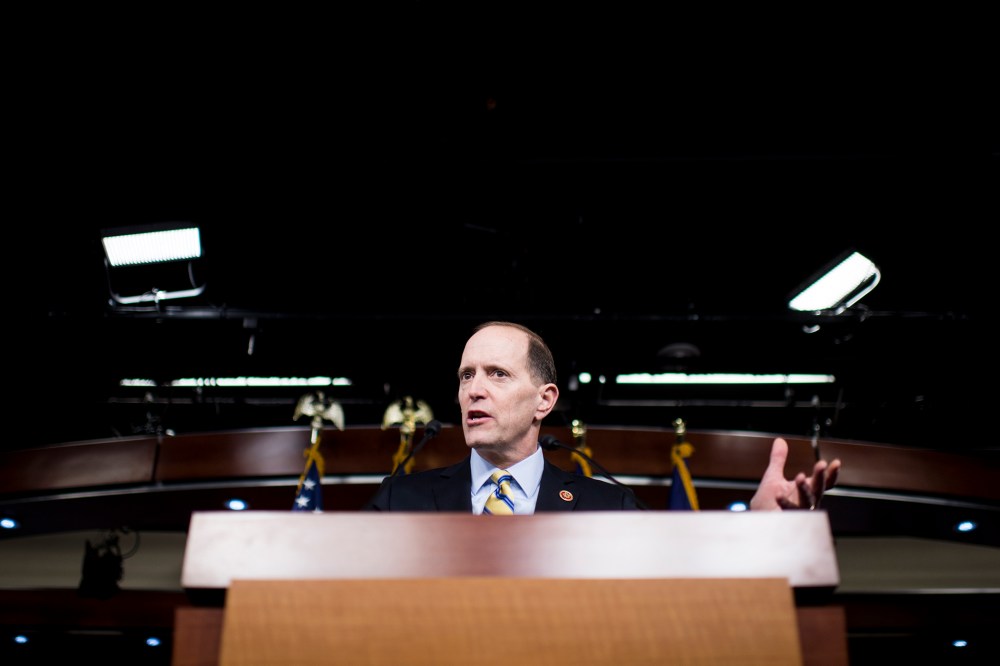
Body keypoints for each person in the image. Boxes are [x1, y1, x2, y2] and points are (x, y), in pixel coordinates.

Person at [366, 320, 841, 513]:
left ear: (544, 401)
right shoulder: (399, 499)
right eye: (466, 375)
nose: (475, 390)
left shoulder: (606, 505)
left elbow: (676, 575)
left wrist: (754, 527)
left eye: (497, 374)